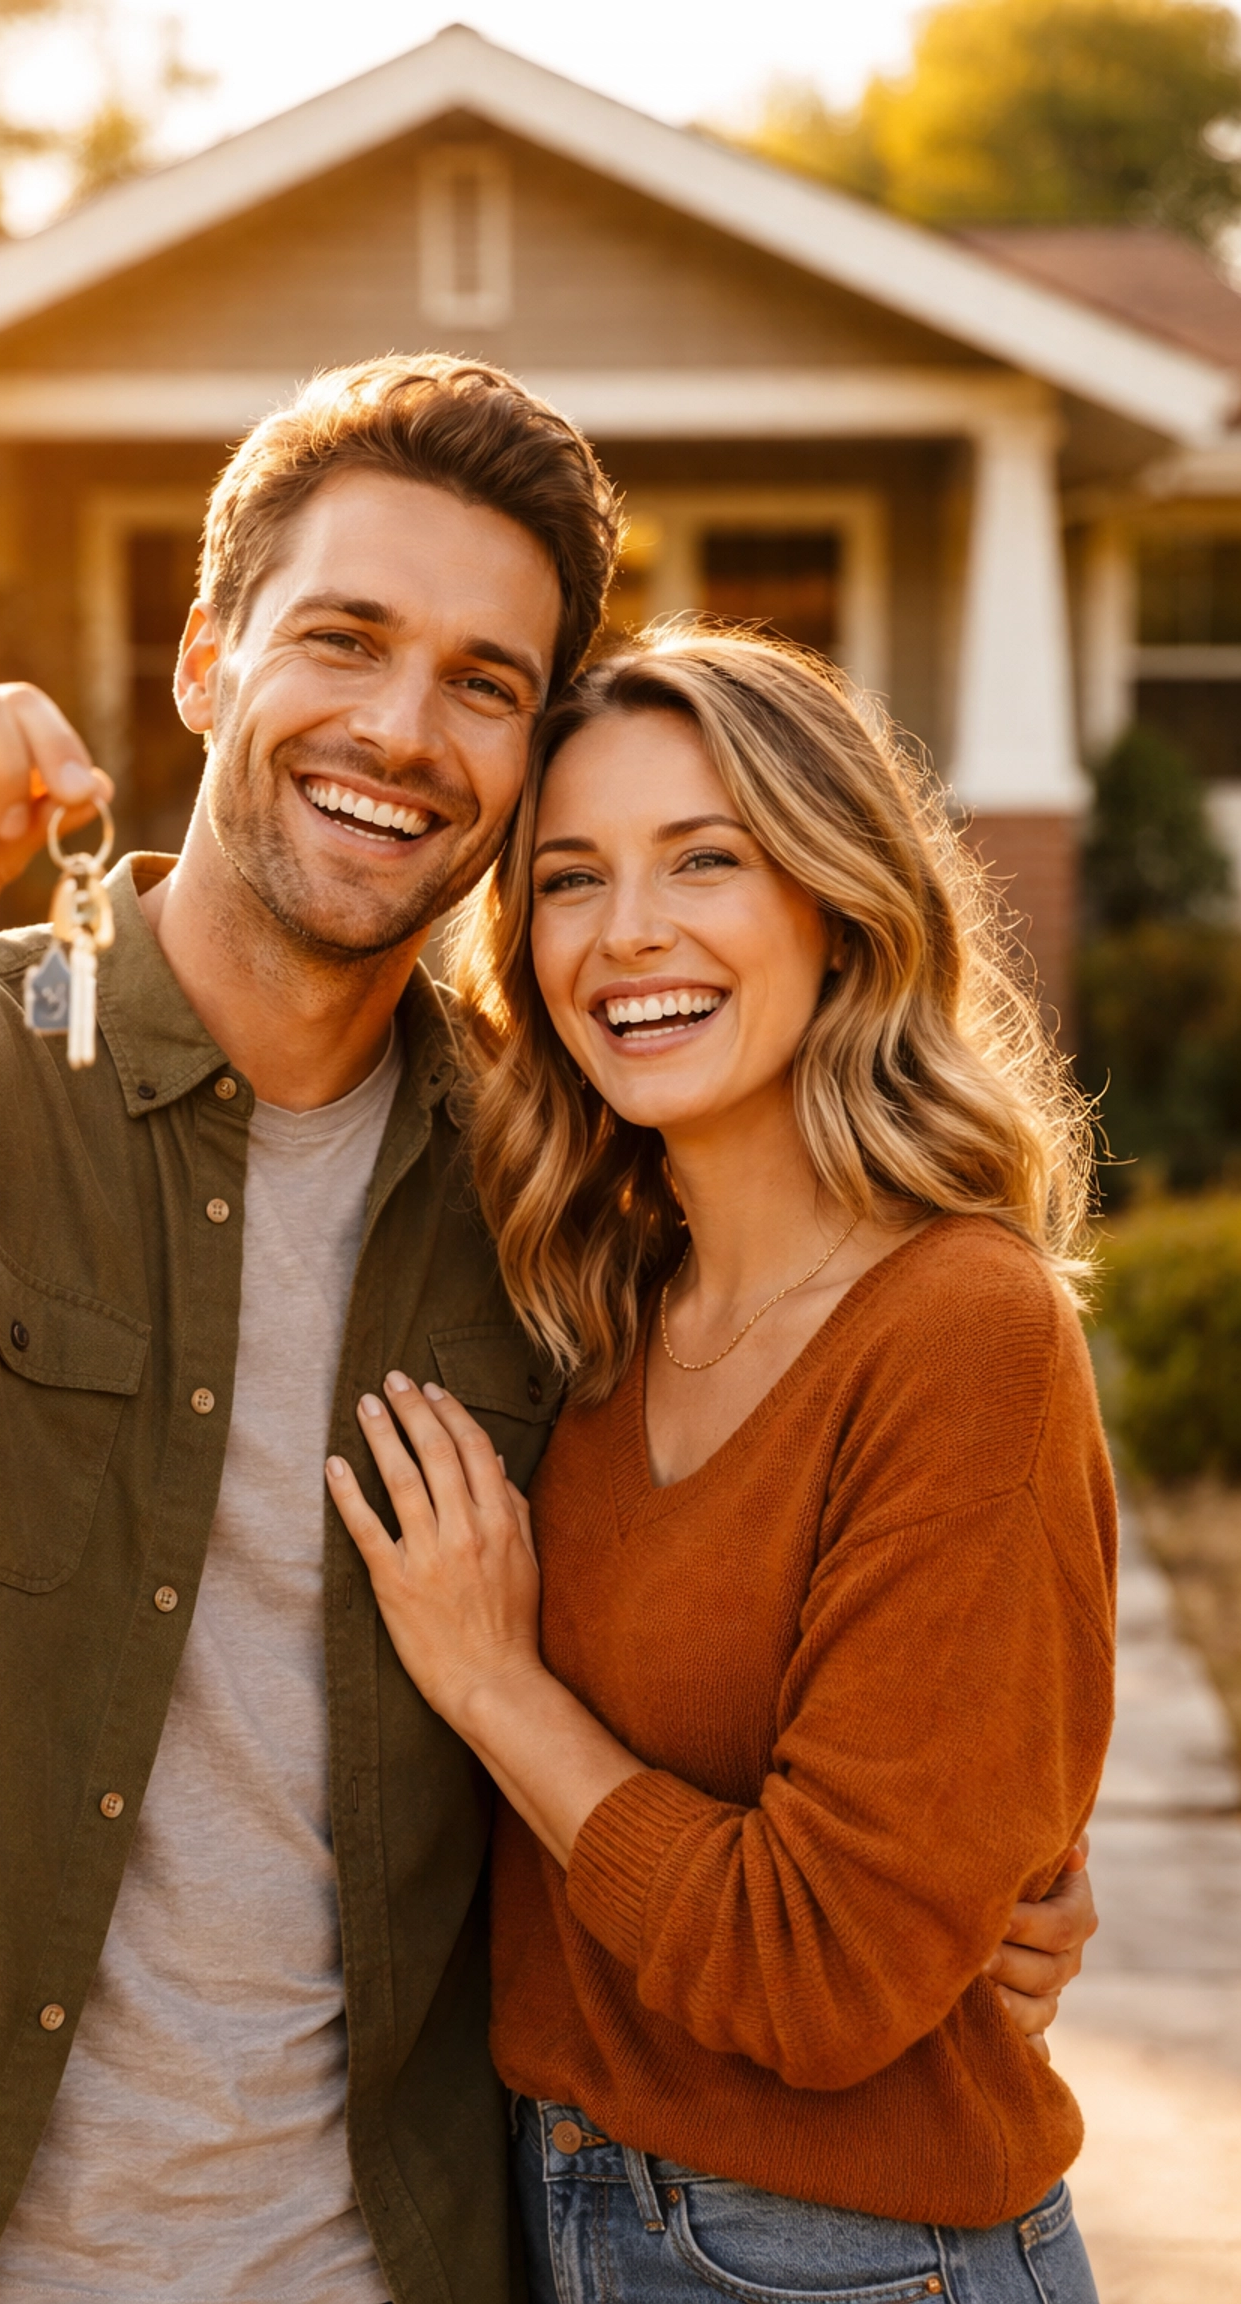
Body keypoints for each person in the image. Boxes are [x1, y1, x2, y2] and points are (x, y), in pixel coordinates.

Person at [0, 361, 1090, 2304]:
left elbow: (764, 1587)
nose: (399, 727)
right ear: (204, 659)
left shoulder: (567, 1188)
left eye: (484, 682)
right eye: (343, 638)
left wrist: (975, 1864)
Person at [326, 628, 1115, 2303]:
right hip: (556, 2210)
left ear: (838, 909)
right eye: (568, 879)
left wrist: (495, 1682)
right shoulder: (600, 1319)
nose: (629, 936)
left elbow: (824, 1975)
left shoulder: (962, 1330)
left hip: (853, 2257)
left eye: (709, 859)